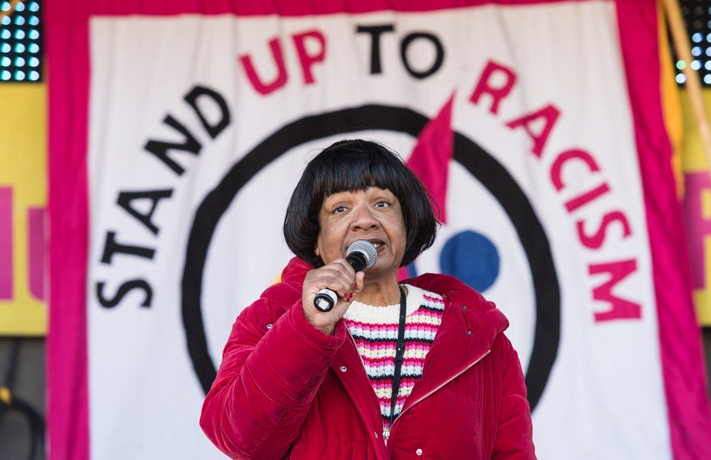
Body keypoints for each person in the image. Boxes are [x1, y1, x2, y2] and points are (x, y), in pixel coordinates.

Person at [200, 139, 536, 459]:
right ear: (316, 240)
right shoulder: (273, 316)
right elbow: (238, 440)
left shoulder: (479, 334)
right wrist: (306, 330)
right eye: (340, 208)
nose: (365, 220)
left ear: (406, 223)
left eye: (382, 204)